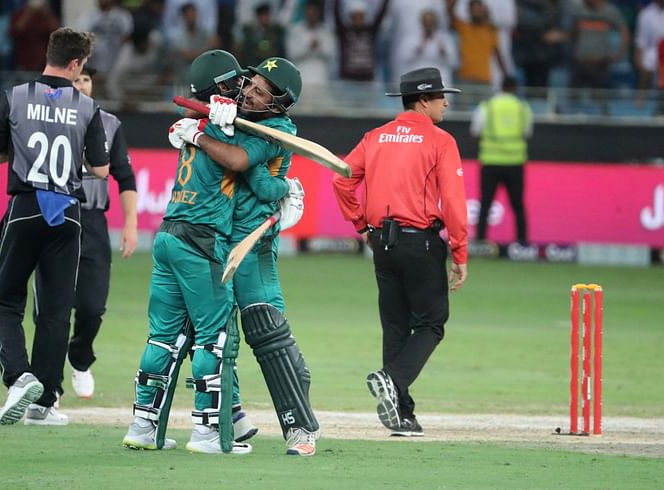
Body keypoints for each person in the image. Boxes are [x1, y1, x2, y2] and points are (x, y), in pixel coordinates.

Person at [122, 52, 257, 455]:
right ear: (219, 88)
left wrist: (206, 125)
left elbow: (189, 131)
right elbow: (242, 158)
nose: (241, 89)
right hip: (201, 240)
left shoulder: (199, 123)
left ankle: (142, 426)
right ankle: (208, 433)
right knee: (213, 341)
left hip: (168, 236)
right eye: (234, 83)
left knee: (161, 339)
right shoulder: (221, 127)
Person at [189, 56, 320, 456]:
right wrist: (210, 122)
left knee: (265, 329)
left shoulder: (277, 127)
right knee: (218, 334)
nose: (249, 92)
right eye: (250, 84)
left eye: (261, 92)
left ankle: (301, 430)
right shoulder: (243, 118)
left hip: (254, 242)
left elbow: (249, 172)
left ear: (278, 103)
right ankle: (233, 413)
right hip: (223, 240)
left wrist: (281, 189)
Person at [332, 67, 468, 437]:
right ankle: (391, 379)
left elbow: (340, 178)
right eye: (440, 96)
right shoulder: (441, 141)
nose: (445, 101)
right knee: (431, 322)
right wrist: (459, 251)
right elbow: (454, 202)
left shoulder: (375, 137)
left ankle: (402, 414)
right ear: (423, 100)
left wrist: (360, 225)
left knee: (395, 326)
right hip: (419, 241)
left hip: (383, 243)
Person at [0, 27, 109, 426]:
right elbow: (101, 168)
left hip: (25, 206)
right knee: (56, 311)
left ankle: (19, 377)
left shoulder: (15, 96)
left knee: (8, 300)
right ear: (75, 64)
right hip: (69, 213)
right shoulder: (87, 107)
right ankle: (44, 402)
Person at [34, 65, 138, 402]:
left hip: (92, 221)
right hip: (54, 214)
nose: (81, 84)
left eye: (86, 79)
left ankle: (79, 358)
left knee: (92, 306)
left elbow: (124, 175)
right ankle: (48, 384)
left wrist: (131, 223)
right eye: (76, 79)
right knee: (51, 307)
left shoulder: (109, 124)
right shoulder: (44, 118)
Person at [470, 76, 533, 245]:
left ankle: (480, 241)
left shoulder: (488, 106)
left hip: (491, 161)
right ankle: (522, 243)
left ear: (500, 87)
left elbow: (475, 130)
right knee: (518, 205)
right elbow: (527, 132)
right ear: (515, 88)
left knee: (485, 204)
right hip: (515, 162)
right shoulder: (522, 107)